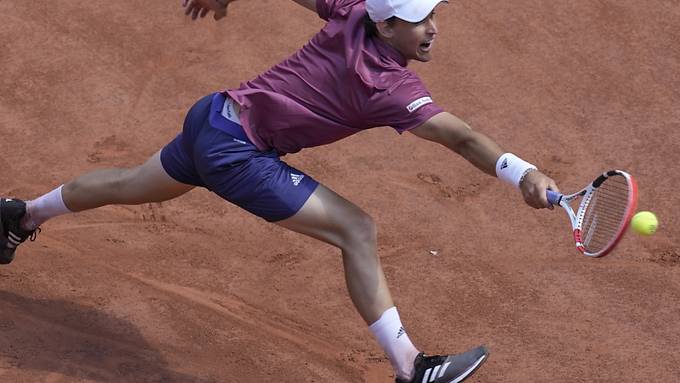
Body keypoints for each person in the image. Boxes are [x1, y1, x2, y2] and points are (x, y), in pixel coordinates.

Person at [1, 0, 560, 381]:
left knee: (131, 184)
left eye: (434, 15)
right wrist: (523, 172)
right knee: (356, 229)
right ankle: (412, 368)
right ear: (387, 27)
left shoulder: (350, 9)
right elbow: (459, 137)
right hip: (237, 150)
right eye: (419, 21)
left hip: (214, 117)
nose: (433, 28)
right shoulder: (386, 86)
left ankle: (20, 215)